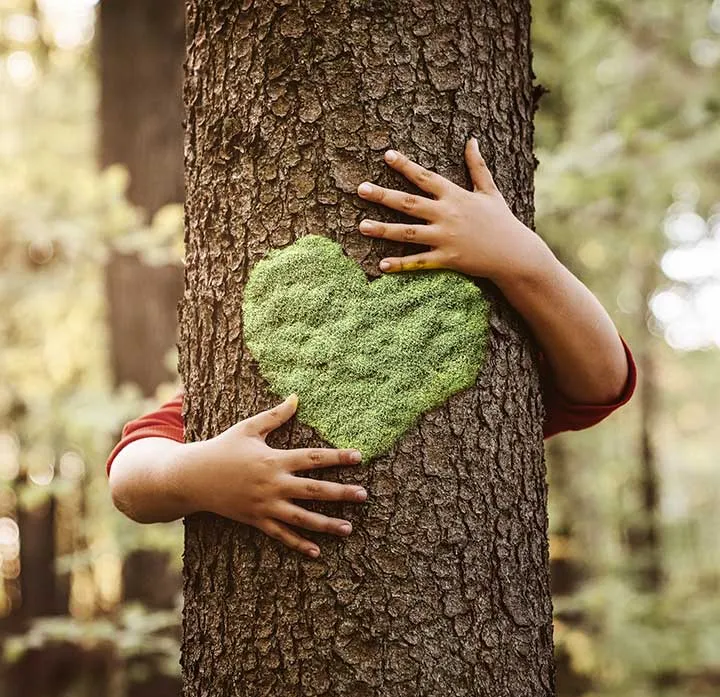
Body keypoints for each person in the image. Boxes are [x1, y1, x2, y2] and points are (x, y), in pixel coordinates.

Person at [106, 139, 636, 560]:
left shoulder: (501, 364)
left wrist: (524, 260)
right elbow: (130, 476)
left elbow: (603, 381)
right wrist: (198, 475)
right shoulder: (246, 386)